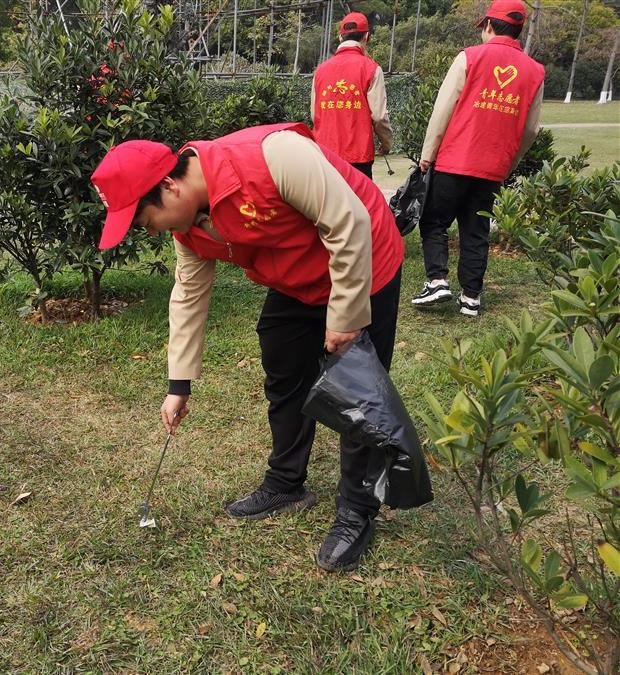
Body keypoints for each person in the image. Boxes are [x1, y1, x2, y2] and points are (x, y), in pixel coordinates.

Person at [91, 122, 405, 572]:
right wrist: (178, 384)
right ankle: (286, 482)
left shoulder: (273, 157)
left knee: (358, 391)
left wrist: (345, 316)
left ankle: (356, 511)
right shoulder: (189, 227)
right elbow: (188, 295)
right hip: (297, 277)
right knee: (283, 362)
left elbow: (348, 220)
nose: (151, 231)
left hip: (364, 258)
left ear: (169, 187)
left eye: (145, 220)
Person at [411, 0, 544, 317]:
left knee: (434, 220)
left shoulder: (469, 57)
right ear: (519, 29)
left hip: (455, 159)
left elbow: (442, 109)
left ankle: (437, 280)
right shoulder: (535, 71)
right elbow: (530, 130)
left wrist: (428, 154)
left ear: (488, 25)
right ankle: (471, 298)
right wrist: (509, 163)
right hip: (492, 167)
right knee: (476, 230)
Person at [311, 11, 393, 179]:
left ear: (341, 38)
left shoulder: (320, 71)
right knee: (359, 203)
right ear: (367, 37)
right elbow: (378, 116)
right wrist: (386, 143)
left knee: (327, 204)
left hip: (325, 155)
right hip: (358, 156)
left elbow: (314, 115)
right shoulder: (371, 69)